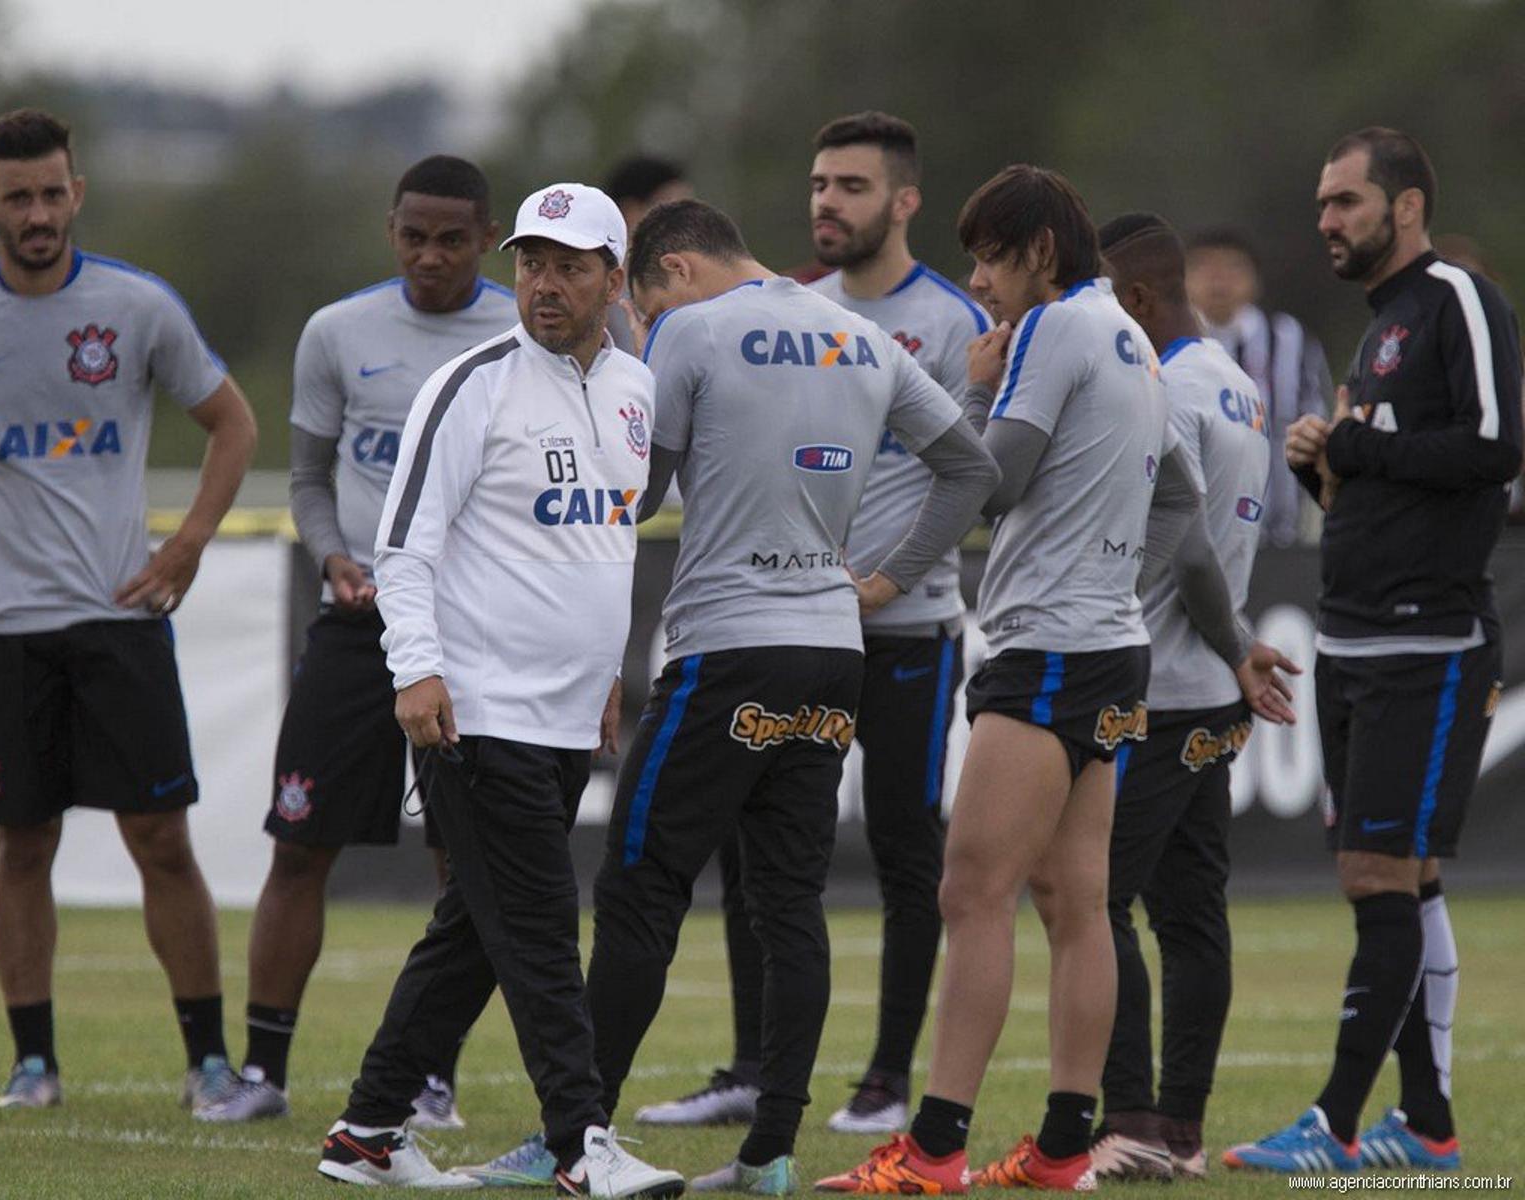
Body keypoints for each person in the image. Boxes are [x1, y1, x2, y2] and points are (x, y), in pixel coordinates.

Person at [470, 197, 1000, 1195]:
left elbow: (636, 493)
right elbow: (971, 468)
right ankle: (769, 1156)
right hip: (833, 653)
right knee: (788, 899)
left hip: (725, 651)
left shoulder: (688, 332)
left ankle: (570, 1141)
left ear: (667, 271)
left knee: (638, 887)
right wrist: (884, 581)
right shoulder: (863, 335)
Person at [818, 165, 1295, 1195]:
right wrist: (1132, 578)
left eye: (989, 256)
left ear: (1038, 251)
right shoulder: (1131, 339)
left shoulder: (1053, 331)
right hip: (1115, 651)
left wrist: (888, 576)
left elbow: (994, 477)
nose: (978, 281)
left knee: (971, 890)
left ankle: (934, 1148)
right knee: (1074, 901)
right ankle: (1066, 1146)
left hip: (1045, 651)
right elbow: (1183, 507)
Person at [0, 108, 259, 1118]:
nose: (39, 213)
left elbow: (233, 423)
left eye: (54, 193)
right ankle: (34, 1066)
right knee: (21, 847)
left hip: (121, 624)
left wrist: (184, 546)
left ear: (76, 193)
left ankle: (208, 1067)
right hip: (8, 634)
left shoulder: (137, 308)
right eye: (19, 197)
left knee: (163, 844)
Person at [314, 183, 680, 1197]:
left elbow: (602, 543)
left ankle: (366, 1133)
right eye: (530, 262)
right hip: (475, 709)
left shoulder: (635, 393)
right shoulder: (470, 384)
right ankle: (581, 1146)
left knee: (475, 934)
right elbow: (404, 545)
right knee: (538, 923)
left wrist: (607, 674)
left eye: (568, 265)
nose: (544, 283)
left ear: (614, 278)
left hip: (567, 715)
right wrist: (417, 670)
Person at [636, 111, 990, 1139]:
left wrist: (889, 578)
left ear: (904, 201)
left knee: (902, 847)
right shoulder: (792, 305)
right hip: (795, 624)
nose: (827, 202)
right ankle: (752, 1070)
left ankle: (885, 1078)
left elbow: (980, 473)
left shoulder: (956, 320)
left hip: (908, 625)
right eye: (818, 183)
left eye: (851, 186)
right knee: (756, 857)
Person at [1227, 127, 1522, 1175]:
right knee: (1399, 876)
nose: (1326, 220)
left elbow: (1495, 448)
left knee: (1378, 871)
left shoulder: (1455, 299)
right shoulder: (1383, 324)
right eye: (1320, 203)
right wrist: (1322, 471)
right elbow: (1382, 488)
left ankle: (1338, 1122)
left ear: (1403, 207)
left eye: (1345, 201)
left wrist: (1351, 443)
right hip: (1354, 637)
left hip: (1426, 638)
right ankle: (1429, 1122)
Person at [241, 155, 514, 1126]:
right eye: (413, 234)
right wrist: (331, 557)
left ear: (488, 238)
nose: (430, 255)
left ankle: (431, 1074)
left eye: (452, 238)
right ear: (390, 227)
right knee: (300, 843)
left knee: (464, 858)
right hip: (359, 626)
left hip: (473, 630)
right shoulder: (338, 332)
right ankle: (262, 1072)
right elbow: (309, 480)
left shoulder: (524, 334)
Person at [1087, 213, 1271, 1182]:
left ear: (1138, 301)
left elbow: (1179, 549)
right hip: (1211, 695)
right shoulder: (1241, 389)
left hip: (1152, 693)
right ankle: (1184, 1130)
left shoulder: (1160, 391)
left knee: (1097, 899)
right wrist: (1238, 652)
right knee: (1193, 913)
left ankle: (1127, 1118)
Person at [1185, 227, 1333, 548]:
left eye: (1233, 267)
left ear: (1255, 280)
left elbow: (1315, 427)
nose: (1219, 280)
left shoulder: (1290, 340)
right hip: (1185, 542)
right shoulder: (1167, 345)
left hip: (1276, 538)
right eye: (1205, 267)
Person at [601, 155, 692, 354]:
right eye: (673, 207)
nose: (688, 221)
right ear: (630, 211)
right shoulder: (596, 284)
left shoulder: (693, 282)